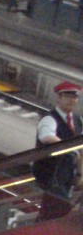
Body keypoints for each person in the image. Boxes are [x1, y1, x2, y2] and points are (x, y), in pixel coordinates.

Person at [33, 81, 83, 220]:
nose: (71, 100)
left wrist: (79, 174)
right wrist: (71, 150)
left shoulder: (78, 121)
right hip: (50, 173)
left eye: (74, 97)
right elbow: (46, 137)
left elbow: (81, 148)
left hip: (67, 173)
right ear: (58, 98)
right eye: (67, 96)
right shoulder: (49, 119)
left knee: (60, 207)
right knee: (55, 208)